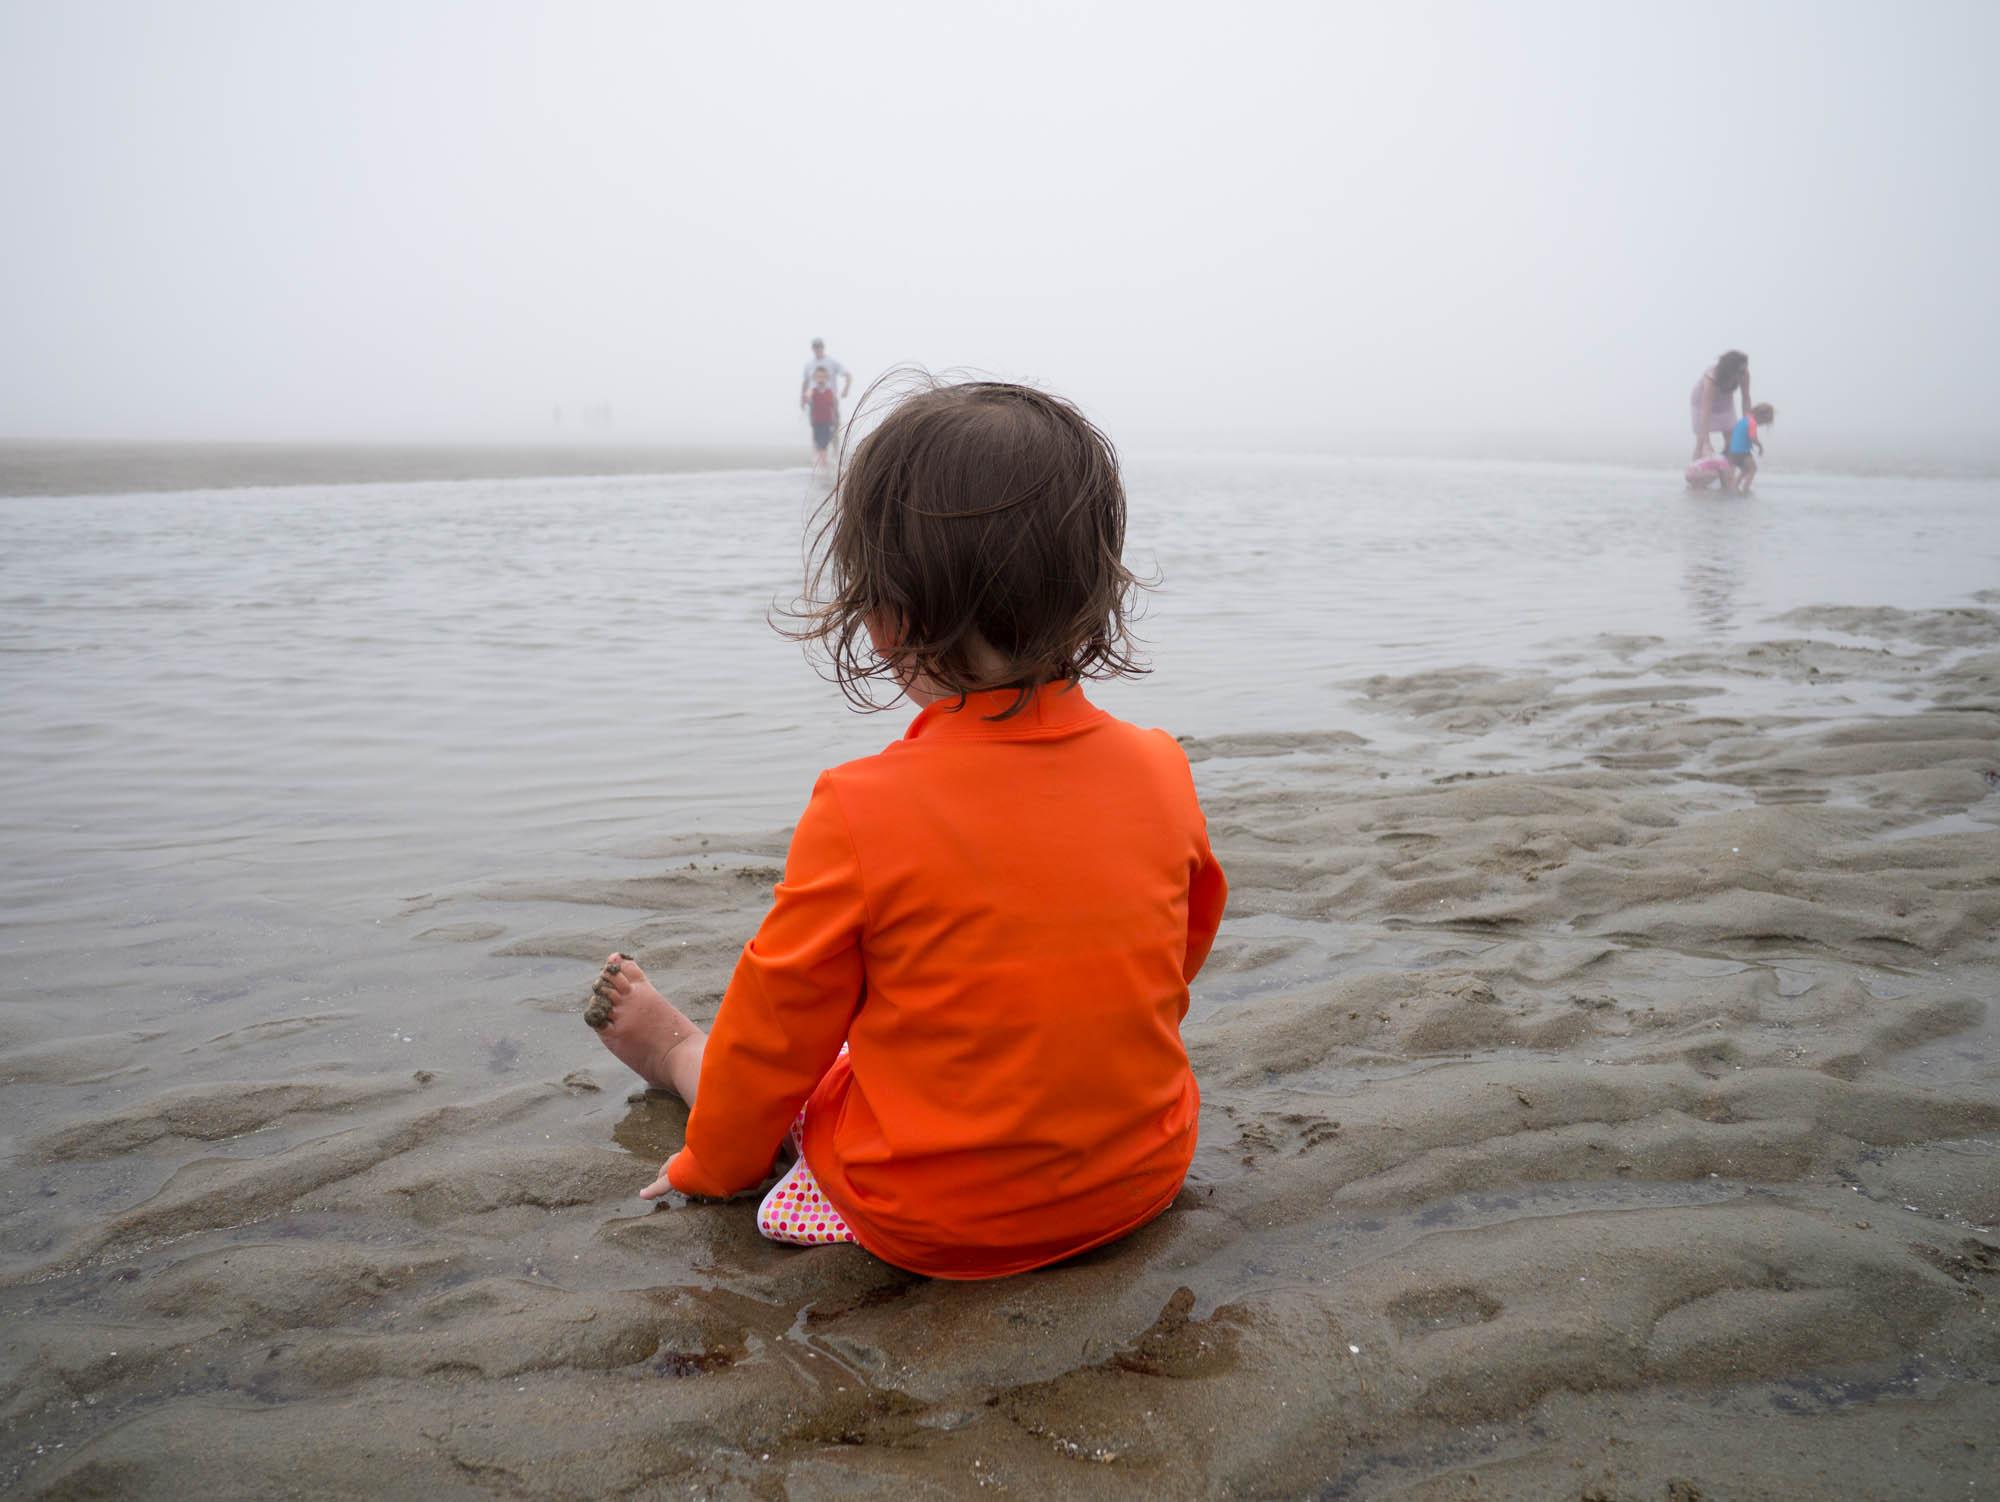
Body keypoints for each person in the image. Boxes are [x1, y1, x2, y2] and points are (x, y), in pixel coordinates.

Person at [583, 380, 1228, 1280]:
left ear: (885, 619)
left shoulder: (861, 806)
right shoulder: (1162, 766)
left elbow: (779, 1031)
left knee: (825, 1068)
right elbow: (1177, 948)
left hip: (931, 1216)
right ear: (1093, 594)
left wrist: (714, 1166)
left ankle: (678, 1053)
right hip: (1143, 1175)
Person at [1690, 350, 1752, 461]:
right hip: (1701, 405)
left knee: (1734, 443)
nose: (1743, 373)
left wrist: (1747, 427)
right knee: (1702, 444)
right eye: (1740, 371)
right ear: (1729, 370)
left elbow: (1746, 399)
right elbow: (1706, 409)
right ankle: (1696, 470)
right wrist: (1706, 442)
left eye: (1744, 369)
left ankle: (1727, 473)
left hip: (1725, 404)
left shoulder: (1744, 374)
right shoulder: (1712, 378)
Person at [1724, 402, 1775, 492]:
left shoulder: (1744, 419)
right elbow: (1753, 437)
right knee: (1753, 469)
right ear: (1760, 416)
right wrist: (1760, 446)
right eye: (1764, 422)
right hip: (1742, 452)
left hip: (1732, 451)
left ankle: (1735, 486)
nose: (1762, 425)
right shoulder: (1752, 422)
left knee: (1744, 469)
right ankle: (1745, 488)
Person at [799, 338, 851, 411]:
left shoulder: (832, 362)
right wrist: (802, 400)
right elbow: (806, 383)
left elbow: (848, 375)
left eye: (819, 347)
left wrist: (846, 390)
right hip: (814, 401)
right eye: (816, 347)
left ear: (823, 347)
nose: (818, 349)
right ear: (813, 349)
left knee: (833, 421)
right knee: (815, 421)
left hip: (831, 400)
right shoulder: (809, 365)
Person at [806, 367, 839, 471]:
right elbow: (807, 398)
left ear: (827, 378)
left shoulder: (830, 392)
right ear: (815, 378)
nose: (821, 379)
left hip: (828, 422)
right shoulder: (813, 391)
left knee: (824, 444)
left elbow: (835, 407)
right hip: (816, 423)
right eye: (818, 377)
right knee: (818, 444)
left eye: (823, 377)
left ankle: (824, 465)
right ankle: (820, 465)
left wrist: (836, 421)